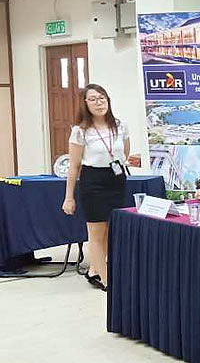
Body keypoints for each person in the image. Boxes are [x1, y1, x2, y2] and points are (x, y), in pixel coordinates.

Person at [62, 84, 130, 291]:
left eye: (102, 98)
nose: (99, 103)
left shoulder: (120, 125)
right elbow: (74, 166)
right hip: (93, 182)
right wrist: (69, 197)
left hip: (116, 179)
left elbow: (125, 153)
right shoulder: (80, 131)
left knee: (111, 229)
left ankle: (95, 270)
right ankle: (107, 280)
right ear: (85, 104)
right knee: (96, 232)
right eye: (92, 99)